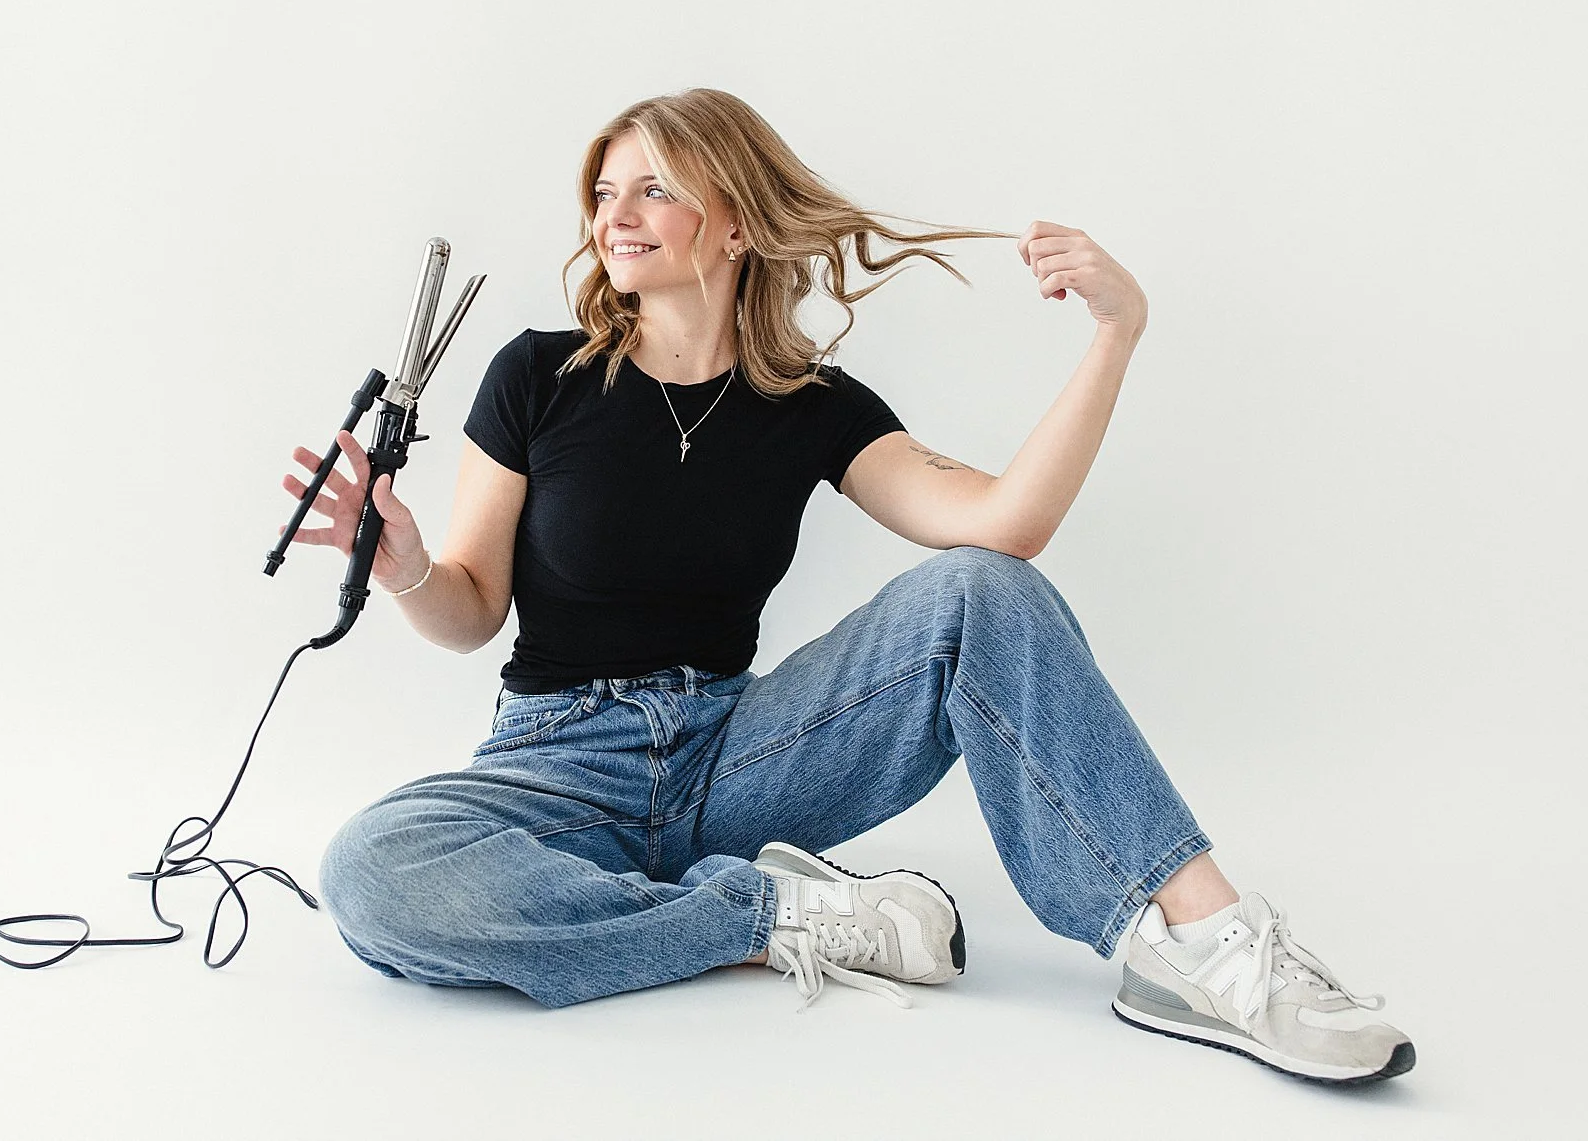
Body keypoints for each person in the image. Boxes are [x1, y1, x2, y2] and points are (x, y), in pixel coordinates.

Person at [284, 88, 1413, 1085]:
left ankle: (1200, 946)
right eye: (603, 191)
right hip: (555, 765)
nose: (610, 215)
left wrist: (1115, 335)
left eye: (651, 188)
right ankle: (782, 917)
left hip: (738, 761)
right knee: (373, 876)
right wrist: (406, 569)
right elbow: (469, 611)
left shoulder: (811, 405)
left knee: (979, 590)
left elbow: (1004, 526)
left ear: (730, 221)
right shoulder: (537, 375)